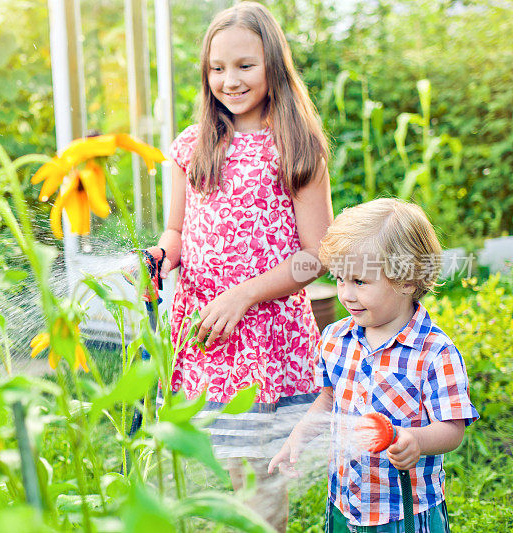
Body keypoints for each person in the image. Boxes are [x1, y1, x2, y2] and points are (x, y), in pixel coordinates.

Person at [143, 3, 333, 530]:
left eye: (245, 65)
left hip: (265, 338)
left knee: (262, 475)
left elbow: (317, 255)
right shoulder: (191, 144)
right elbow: (177, 231)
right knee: (226, 466)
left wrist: (244, 294)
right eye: (217, 68)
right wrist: (163, 256)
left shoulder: (295, 147)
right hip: (208, 335)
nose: (230, 80)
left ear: (273, 64)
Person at [268, 198, 479, 532]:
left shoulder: (435, 352)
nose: (346, 294)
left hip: (403, 510)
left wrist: (415, 439)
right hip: (344, 500)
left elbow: (453, 429)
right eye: (340, 279)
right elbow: (328, 400)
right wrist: (298, 436)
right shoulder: (335, 338)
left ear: (408, 279)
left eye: (360, 282)